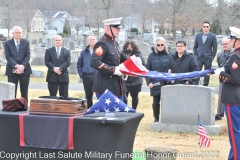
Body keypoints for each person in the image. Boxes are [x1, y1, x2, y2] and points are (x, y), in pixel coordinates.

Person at [90, 17, 130, 101]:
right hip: (105, 87)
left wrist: (133, 61)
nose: (119, 30)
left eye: (119, 28)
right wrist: (113, 70)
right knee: (107, 114)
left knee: (119, 114)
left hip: (117, 87)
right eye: (116, 28)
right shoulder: (102, 43)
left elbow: (121, 57)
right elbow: (94, 61)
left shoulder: (114, 43)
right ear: (108, 28)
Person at [218, 27, 240, 160]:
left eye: (232, 38)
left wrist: (221, 74)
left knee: (235, 133)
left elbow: (237, 80)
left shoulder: (235, 57)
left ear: (238, 41)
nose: (231, 40)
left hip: (233, 100)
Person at [145, 37, 171, 122]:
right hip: (155, 82)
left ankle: (167, 118)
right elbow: (147, 70)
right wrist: (149, 82)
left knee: (167, 102)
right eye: (158, 45)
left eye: (162, 45)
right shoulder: (151, 56)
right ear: (155, 45)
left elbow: (173, 66)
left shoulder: (169, 54)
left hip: (167, 82)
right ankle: (156, 118)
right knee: (156, 101)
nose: (160, 46)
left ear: (164, 45)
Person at [4, 26, 32, 102]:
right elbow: (8, 56)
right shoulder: (7, 43)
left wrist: (22, 66)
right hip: (12, 70)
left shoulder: (26, 42)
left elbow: (28, 55)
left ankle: (25, 108)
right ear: (13, 33)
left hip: (25, 70)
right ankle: (12, 108)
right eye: (17, 33)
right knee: (12, 92)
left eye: (20, 33)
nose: (18, 34)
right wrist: (16, 66)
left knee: (24, 91)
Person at [122, 40, 145, 110]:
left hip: (136, 80)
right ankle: (124, 111)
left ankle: (133, 110)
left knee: (134, 96)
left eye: (131, 47)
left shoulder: (138, 54)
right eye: (128, 46)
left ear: (134, 47)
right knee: (124, 97)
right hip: (124, 80)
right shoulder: (122, 54)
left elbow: (143, 65)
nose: (129, 48)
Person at [193, 21, 217, 86]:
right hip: (199, 57)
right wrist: (196, 55)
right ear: (202, 27)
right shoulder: (198, 36)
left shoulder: (212, 36)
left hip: (208, 58)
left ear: (209, 27)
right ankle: (195, 85)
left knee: (207, 73)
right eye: (204, 26)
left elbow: (215, 48)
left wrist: (212, 57)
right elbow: (195, 47)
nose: (205, 28)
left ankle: (205, 85)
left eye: (207, 26)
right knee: (197, 72)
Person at [215, 38, 234, 121]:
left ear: (230, 43)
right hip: (223, 78)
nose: (225, 45)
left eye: (226, 43)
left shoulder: (234, 54)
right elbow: (220, 65)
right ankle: (219, 114)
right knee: (221, 95)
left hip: (233, 78)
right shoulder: (219, 54)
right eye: (223, 44)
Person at [77, 35, 97, 108]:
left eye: (93, 39)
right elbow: (79, 64)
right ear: (88, 41)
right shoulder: (83, 52)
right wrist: (81, 74)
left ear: (96, 40)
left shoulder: (99, 52)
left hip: (97, 76)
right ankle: (89, 111)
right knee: (88, 95)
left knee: (99, 95)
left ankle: (99, 111)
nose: (92, 40)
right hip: (87, 77)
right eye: (90, 39)